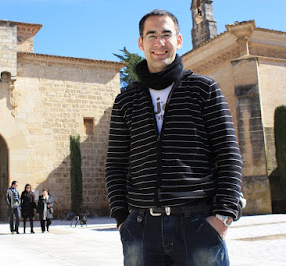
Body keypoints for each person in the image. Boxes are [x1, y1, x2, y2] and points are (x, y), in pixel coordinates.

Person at [105, 9, 242, 266]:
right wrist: (123, 219)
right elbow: (115, 164)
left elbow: (229, 155)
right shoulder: (125, 101)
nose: (159, 43)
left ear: (179, 40)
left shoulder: (205, 90)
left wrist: (222, 217)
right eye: (152, 35)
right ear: (141, 42)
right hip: (141, 229)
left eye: (166, 35)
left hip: (198, 224)